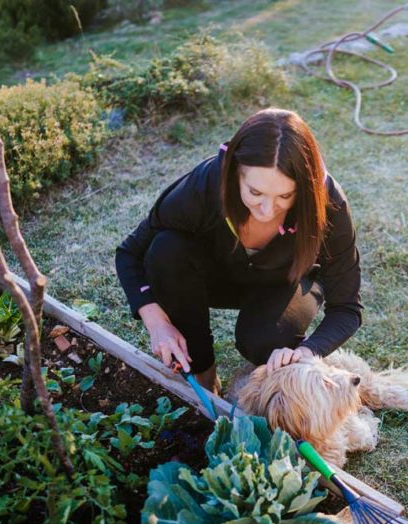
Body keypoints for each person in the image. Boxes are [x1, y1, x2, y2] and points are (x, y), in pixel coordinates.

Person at [115, 109, 363, 393]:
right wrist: (157, 322)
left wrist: (308, 352)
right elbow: (129, 254)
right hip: (216, 276)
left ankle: (270, 338)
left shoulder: (328, 202)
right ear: (234, 173)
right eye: (255, 193)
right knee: (166, 249)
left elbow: (347, 308)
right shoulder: (205, 184)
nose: (268, 211)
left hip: (287, 283)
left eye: (285, 196)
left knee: (266, 340)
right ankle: (203, 373)